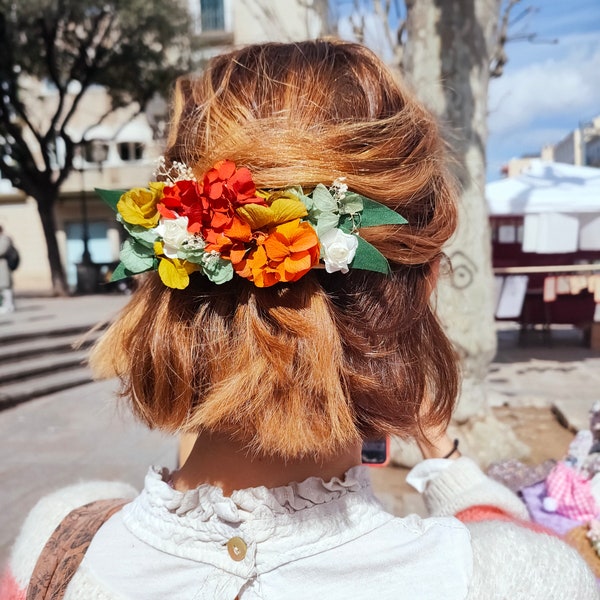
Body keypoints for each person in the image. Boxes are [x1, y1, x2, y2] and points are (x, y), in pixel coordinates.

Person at [1, 40, 597, 599]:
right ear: (421, 292)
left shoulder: (57, 548)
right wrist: (447, 467)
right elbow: (504, 545)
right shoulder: (510, 578)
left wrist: (221, 390)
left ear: (169, 262)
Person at [0, 225, 17, 314]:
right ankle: (4, 305)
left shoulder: (4, 239)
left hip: (3, 267)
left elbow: (1, 250)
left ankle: (9, 306)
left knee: (5, 287)